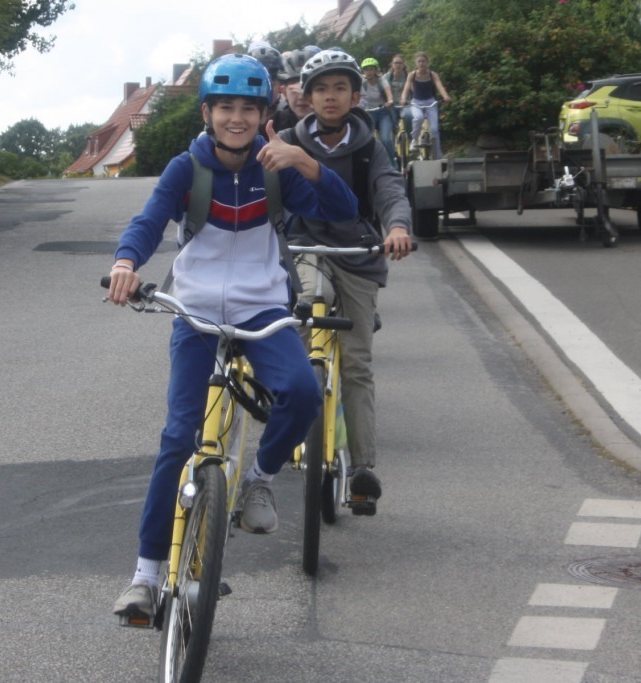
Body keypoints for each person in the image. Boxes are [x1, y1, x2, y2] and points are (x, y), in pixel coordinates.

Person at [108, 53, 359, 620]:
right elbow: (148, 221)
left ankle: (258, 481)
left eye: (248, 108)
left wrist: (306, 162)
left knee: (302, 393)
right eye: (225, 107)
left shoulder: (277, 169)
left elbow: (343, 213)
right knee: (179, 438)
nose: (237, 118)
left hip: (262, 309)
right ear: (207, 113)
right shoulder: (186, 169)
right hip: (195, 312)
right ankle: (145, 576)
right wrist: (126, 262)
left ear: (264, 114)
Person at [278, 49, 414, 513]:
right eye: (321, 89)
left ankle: (361, 470)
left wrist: (397, 227)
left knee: (356, 363)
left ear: (356, 97)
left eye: (340, 88)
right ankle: (297, 429)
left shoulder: (369, 147)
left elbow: (389, 190)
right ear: (308, 96)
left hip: (357, 255)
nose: (330, 96)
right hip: (305, 248)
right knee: (306, 320)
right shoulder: (287, 141)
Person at [400, 51, 451, 160]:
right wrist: (403, 98)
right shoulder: (412, 75)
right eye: (419, 61)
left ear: (427, 62)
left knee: (434, 130)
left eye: (423, 61)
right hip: (416, 102)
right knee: (418, 118)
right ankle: (414, 139)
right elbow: (406, 88)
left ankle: (437, 156)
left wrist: (445, 96)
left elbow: (439, 86)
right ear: (416, 63)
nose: (421, 63)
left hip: (430, 102)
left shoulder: (432, 75)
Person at [358, 57, 396, 168]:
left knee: (386, 139)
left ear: (376, 70)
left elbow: (389, 93)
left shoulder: (382, 81)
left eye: (371, 69)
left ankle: (393, 165)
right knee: (367, 140)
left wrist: (390, 101)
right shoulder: (362, 82)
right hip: (368, 113)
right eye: (366, 70)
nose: (368, 72)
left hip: (383, 112)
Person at [270, 46, 319, 132]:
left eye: (308, 88)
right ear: (284, 92)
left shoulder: (339, 122)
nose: (301, 96)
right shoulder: (273, 124)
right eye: (294, 89)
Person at [382, 54, 412, 144]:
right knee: (392, 122)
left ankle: (410, 138)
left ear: (403, 64)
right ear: (392, 64)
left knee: (408, 116)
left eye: (400, 63)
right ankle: (394, 140)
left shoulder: (408, 76)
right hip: (392, 105)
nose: (398, 65)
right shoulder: (386, 77)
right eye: (395, 63)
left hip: (406, 104)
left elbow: (415, 90)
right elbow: (382, 91)